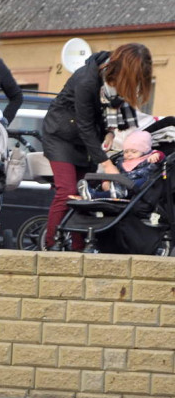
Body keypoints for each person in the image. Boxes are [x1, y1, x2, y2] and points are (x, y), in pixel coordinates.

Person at [41, 43, 152, 249]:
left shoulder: (111, 79)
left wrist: (109, 132)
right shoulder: (87, 80)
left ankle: (78, 247)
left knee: (84, 194)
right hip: (60, 136)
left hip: (86, 139)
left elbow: (105, 112)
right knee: (67, 191)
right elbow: (84, 126)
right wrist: (107, 164)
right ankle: (50, 246)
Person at [76, 129, 163, 200]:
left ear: (144, 151)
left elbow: (162, 157)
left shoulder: (150, 157)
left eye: (134, 152)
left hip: (136, 188)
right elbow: (111, 172)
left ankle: (96, 195)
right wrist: (105, 182)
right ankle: (92, 193)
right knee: (110, 186)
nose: (129, 154)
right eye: (126, 152)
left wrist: (157, 155)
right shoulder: (121, 161)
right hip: (118, 185)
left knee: (143, 181)